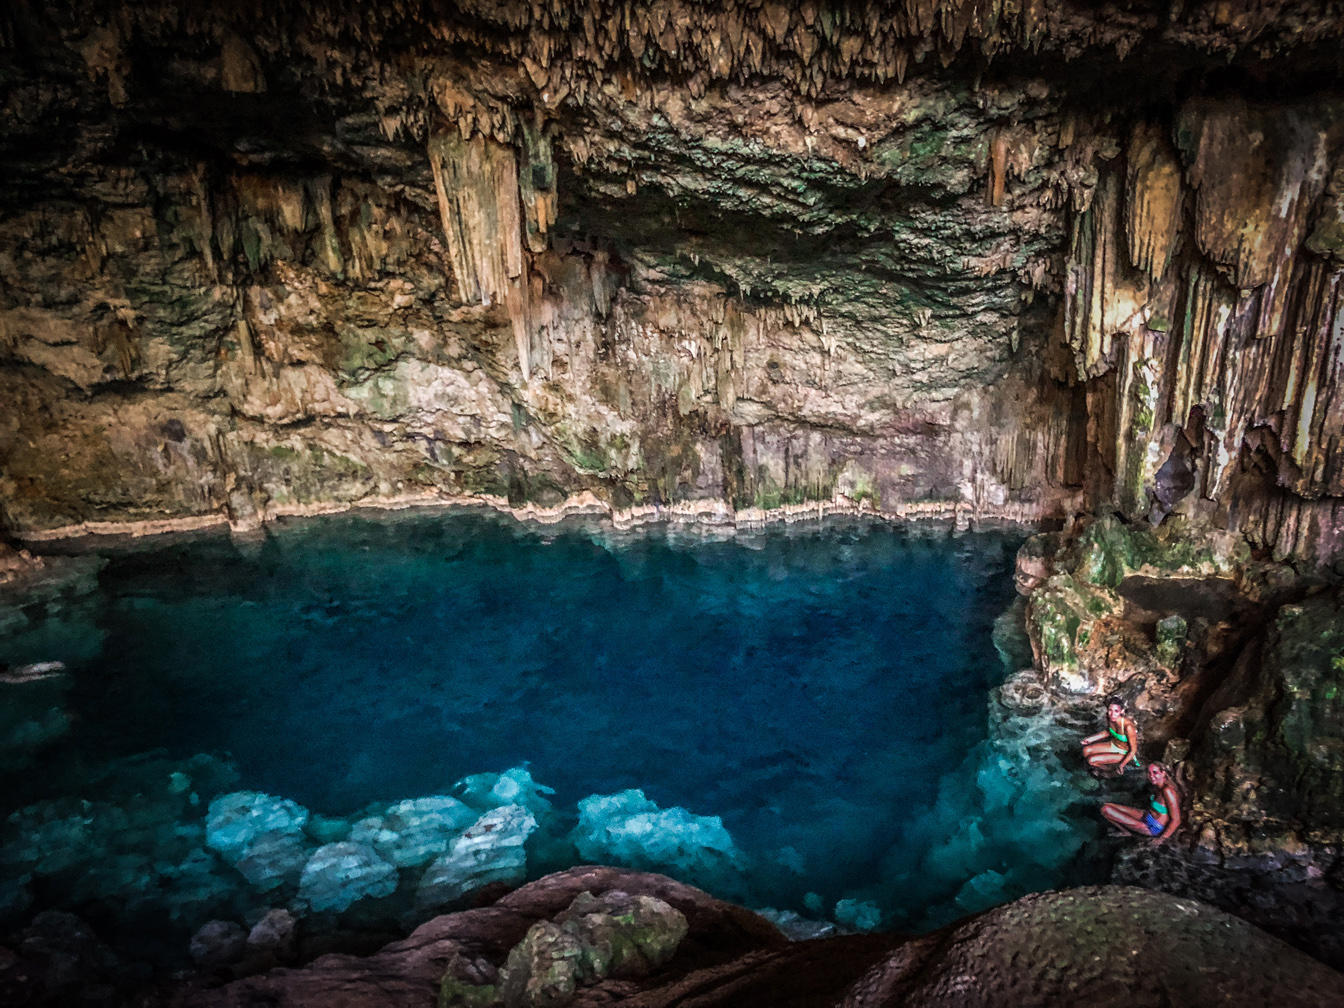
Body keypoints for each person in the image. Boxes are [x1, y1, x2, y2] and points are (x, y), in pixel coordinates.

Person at [1100, 761, 1182, 845]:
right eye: (1149, 773)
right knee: (1107, 805)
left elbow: (1176, 819)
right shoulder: (1158, 787)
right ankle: (1125, 831)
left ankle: (1126, 831)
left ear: (1163, 773)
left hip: (1153, 827)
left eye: (1155, 773)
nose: (1151, 776)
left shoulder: (1168, 791)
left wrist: (1162, 839)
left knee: (1106, 810)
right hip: (1147, 815)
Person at [1079, 696, 1140, 773]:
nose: (1112, 714)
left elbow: (1133, 750)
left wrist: (1122, 765)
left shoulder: (1128, 727)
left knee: (1091, 760)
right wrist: (1090, 739)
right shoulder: (1110, 718)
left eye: (1116, 711)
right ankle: (1104, 766)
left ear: (1122, 711)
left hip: (1124, 752)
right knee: (1085, 750)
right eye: (1110, 710)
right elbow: (1108, 732)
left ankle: (1110, 771)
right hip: (1113, 745)